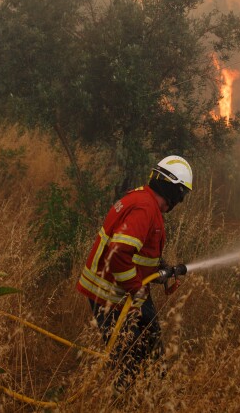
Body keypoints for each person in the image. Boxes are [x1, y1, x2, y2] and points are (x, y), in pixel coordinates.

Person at [76, 155, 192, 383]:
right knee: (131, 358)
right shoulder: (144, 209)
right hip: (111, 294)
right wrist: (136, 289)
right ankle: (124, 399)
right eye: (183, 194)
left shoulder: (144, 200)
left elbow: (135, 249)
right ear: (174, 189)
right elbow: (118, 253)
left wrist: (158, 267)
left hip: (125, 292)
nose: (181, 200)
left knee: (152, 338)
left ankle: (155, 392)